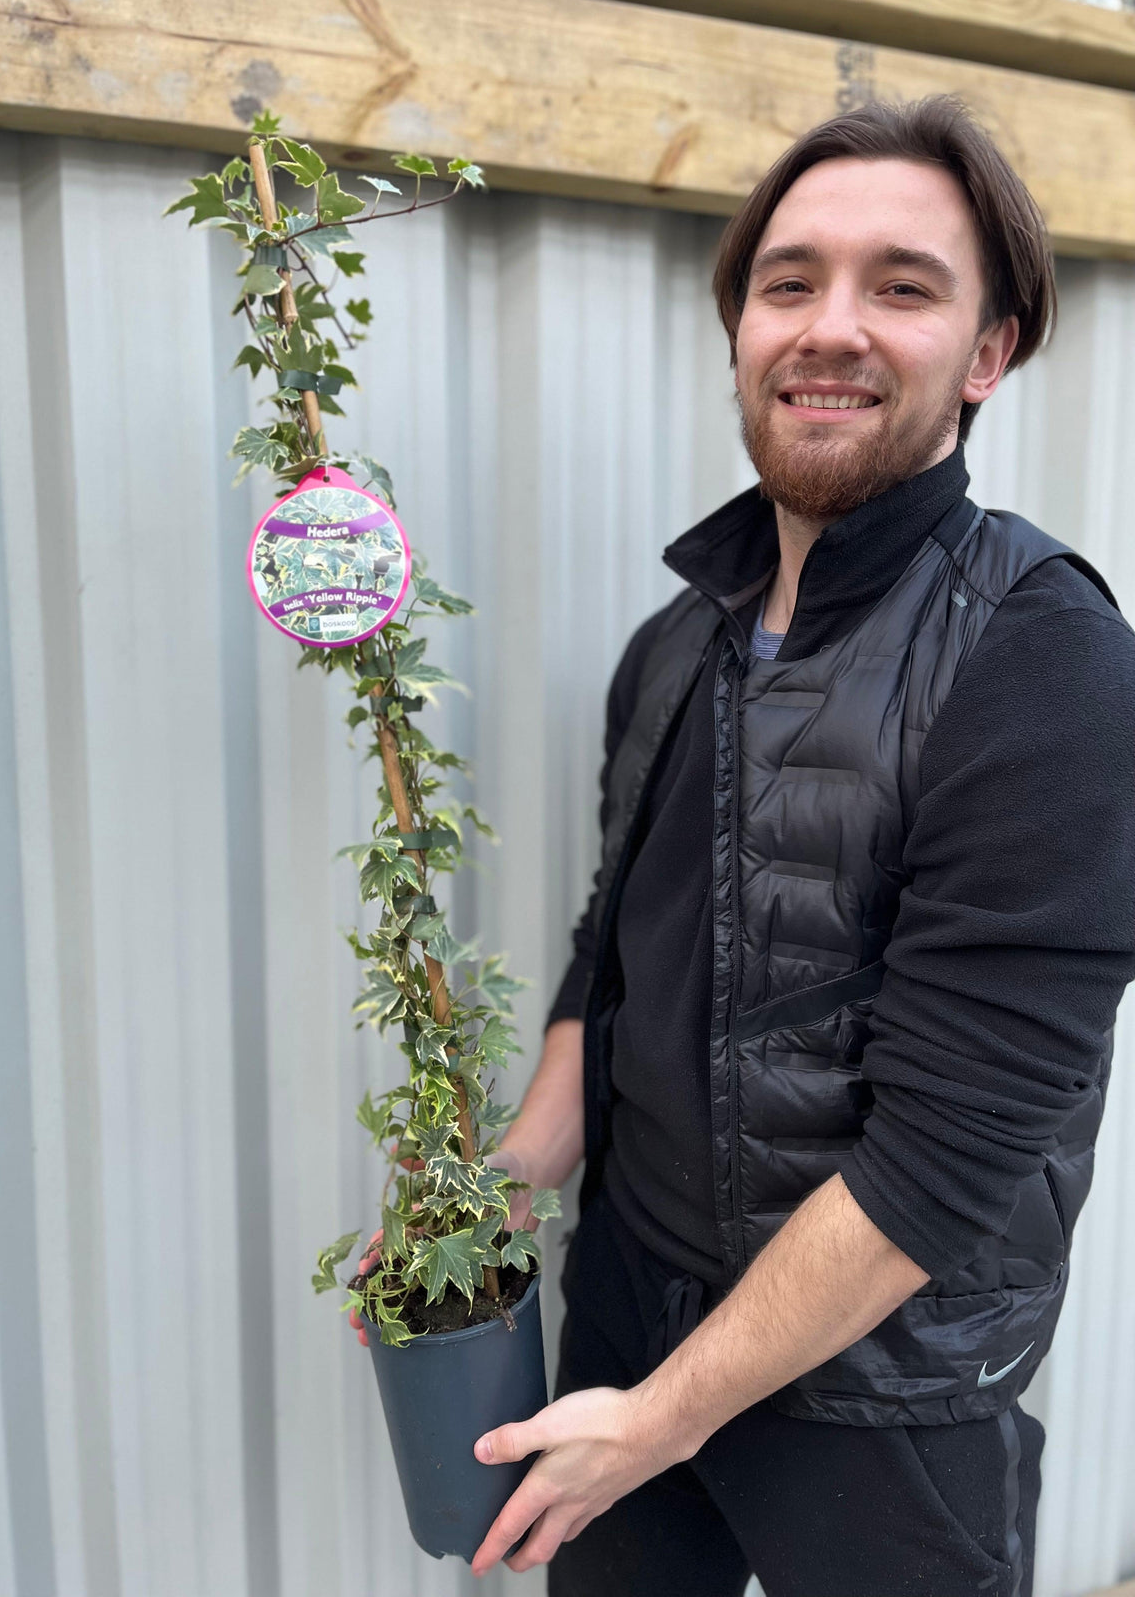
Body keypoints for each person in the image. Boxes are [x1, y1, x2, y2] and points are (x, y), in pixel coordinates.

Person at [460, 97, 1135, 1594]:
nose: (831, 327)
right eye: (789, 282)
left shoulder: (1045, 659)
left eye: (902, 286)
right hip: (632, 1303)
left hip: (884, 1387)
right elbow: (610, 958)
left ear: (988, 353)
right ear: (740, 329)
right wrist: (502, 1185)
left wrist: (660, 1422)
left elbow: (954, 1156)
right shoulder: (674, 641)